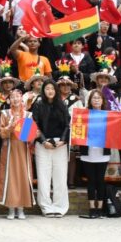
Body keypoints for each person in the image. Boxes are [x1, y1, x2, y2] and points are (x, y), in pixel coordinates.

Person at [33, 81, 70, 217]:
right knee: (44, 177)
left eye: (52, 88)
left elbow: (67, 124)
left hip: (60, 144)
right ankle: (46, 207)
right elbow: (35, 124)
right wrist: (43, 141)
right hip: (43, 145)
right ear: (43, 91)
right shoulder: (38, 105)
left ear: (56, 90)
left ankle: (60, 206)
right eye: (47, 88)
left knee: (60, 176)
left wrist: (63, 140)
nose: (50, 91)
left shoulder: (62, 105)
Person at [0, 89, 34, 219]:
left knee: (22, 176)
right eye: (12, 97)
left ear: (21, 99)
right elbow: (1, 133)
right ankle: (11, 208)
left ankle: (21, 208)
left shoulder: (28, 115)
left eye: (18, 96)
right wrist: (10, 127)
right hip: (9, 149)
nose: (15, 99)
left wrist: (31, 133)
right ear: (8, 100)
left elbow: (27, 137)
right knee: (10, 177)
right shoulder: (5, 114)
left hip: (22, 149)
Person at [76, 90, 110, 219]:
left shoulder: (109, 115)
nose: (96, 100)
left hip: (103, 152)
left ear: (103, 100)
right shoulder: (84, 115)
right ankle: (92, 208)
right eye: (94, 98)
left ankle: (100, 209)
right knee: (91, 181)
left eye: (98, 98)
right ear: (90, 101)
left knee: (100, 180)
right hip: (87, 152)